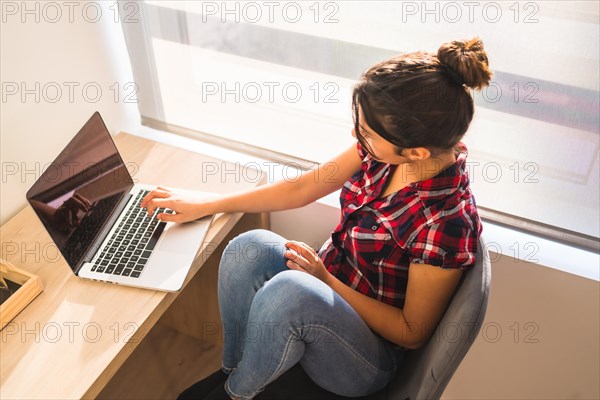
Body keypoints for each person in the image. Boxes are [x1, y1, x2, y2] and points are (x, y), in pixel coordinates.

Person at [141, 37, 492, 400]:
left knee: (291, 293)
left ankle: (234, 394)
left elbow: (411, 332)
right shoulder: (386, 151)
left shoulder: (446, 221)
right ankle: (234, 371)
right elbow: (303, 188)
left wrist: (324, 279)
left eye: (366, 134)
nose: (356, 137)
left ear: (415, 152)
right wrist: (208, 203)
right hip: (323, 294)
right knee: (247, 248)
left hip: (367, 357)